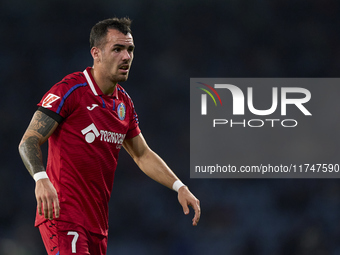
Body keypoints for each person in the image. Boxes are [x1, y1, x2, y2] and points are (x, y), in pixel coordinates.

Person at [18, 17, 200, 255]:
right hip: (63, 214)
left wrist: (180, 187)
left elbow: (142, 154)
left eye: (130, 49)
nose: (126, 57)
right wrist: (41, 179)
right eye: (117, 49)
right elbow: (28, 140)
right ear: (96, 53)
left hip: (97, 224)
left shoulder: (124, 103)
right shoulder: (70, 90)